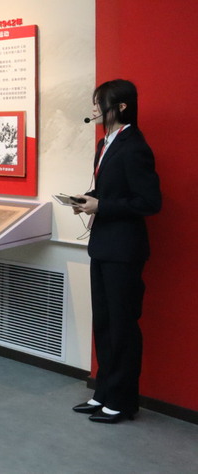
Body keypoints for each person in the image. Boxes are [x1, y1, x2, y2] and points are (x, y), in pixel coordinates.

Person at [71, 79, 161, 423]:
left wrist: (102, 206)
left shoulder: (134, 145)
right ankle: (104, 393)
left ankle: (122, 401)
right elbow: (109, 189)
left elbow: (149, 202)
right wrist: (88, 199)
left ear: (121, 106)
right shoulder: (105, 142)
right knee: (105, 323)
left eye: (100, 102)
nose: (95, 109)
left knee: (123, 326)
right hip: (104, 246)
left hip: (125, 249)